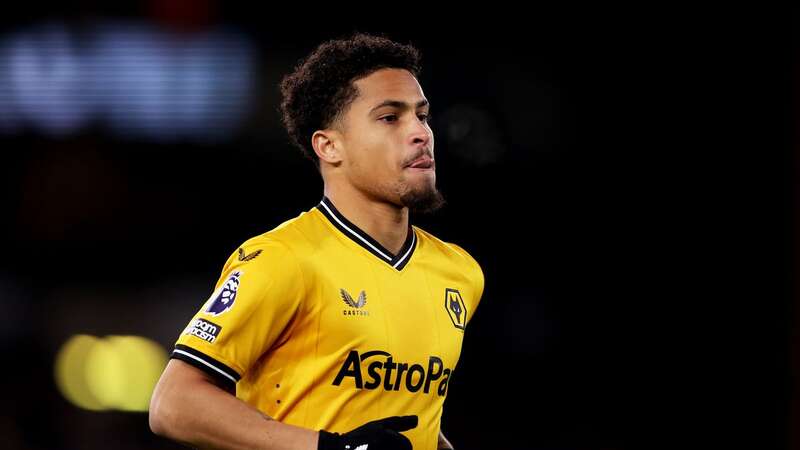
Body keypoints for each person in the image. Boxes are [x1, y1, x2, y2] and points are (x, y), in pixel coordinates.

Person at [148, 32, 484, 450]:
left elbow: (411, 420)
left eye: (423, 115)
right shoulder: (283, 259)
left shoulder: (459, 273)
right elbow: (172, 404)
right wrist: (331, 447)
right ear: (329, 146)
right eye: (390, 117)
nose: (420, 133)